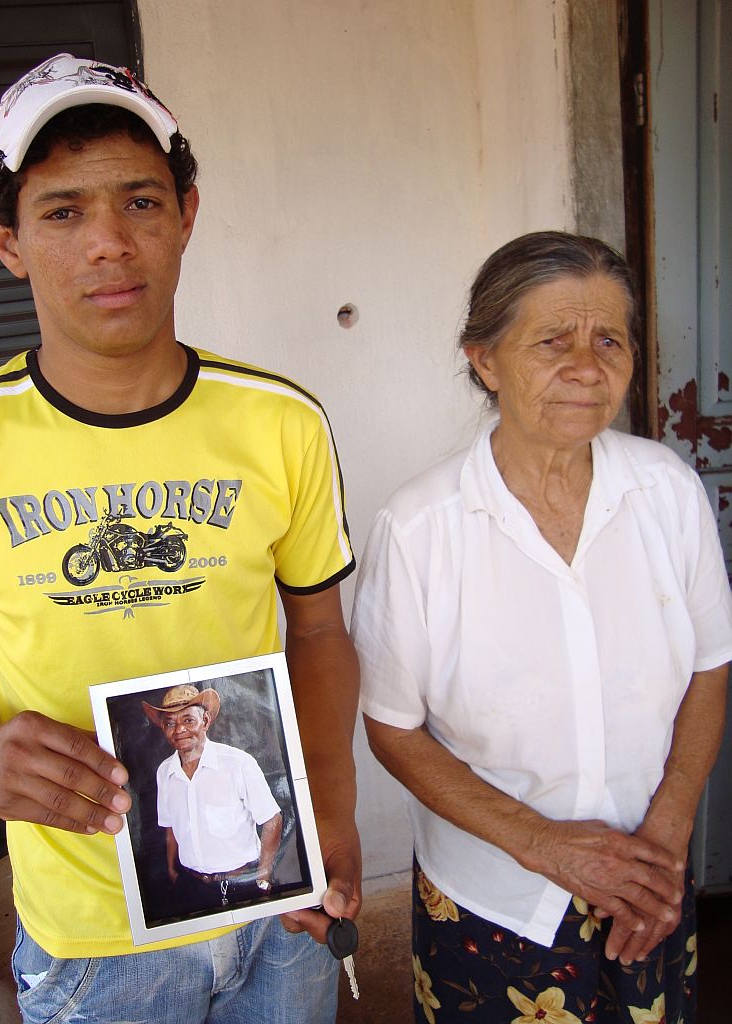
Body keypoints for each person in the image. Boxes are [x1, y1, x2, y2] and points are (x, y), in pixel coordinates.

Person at [0, 53, 361, 1024]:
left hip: (278, 908)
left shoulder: (280, 422)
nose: (109, 242)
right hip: (97, 941)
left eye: (140, 202)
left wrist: (331, 811)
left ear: (186, 215)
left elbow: (318, 629)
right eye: (63, 211)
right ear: (7, 241)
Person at [351, 231, 732, 1024]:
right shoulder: (421, 527)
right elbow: (393, 728)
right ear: (485, 361)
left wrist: (669, 831)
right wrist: (544, 845)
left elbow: (709, 666)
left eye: (609, 341)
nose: (587, 368)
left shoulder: (667, 491)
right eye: (553, 341)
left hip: (649, 877)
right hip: (493, 898)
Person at [141, 684, 283, 910]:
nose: (179, 729)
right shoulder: (164, 771)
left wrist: (263, 877)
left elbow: (272, 818)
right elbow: (170, 827)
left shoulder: (238, 763)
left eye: (188, 720)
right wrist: (171, 869)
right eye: (170, 723)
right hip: (191, 885)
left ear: (205, 721)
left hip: (242, 883)